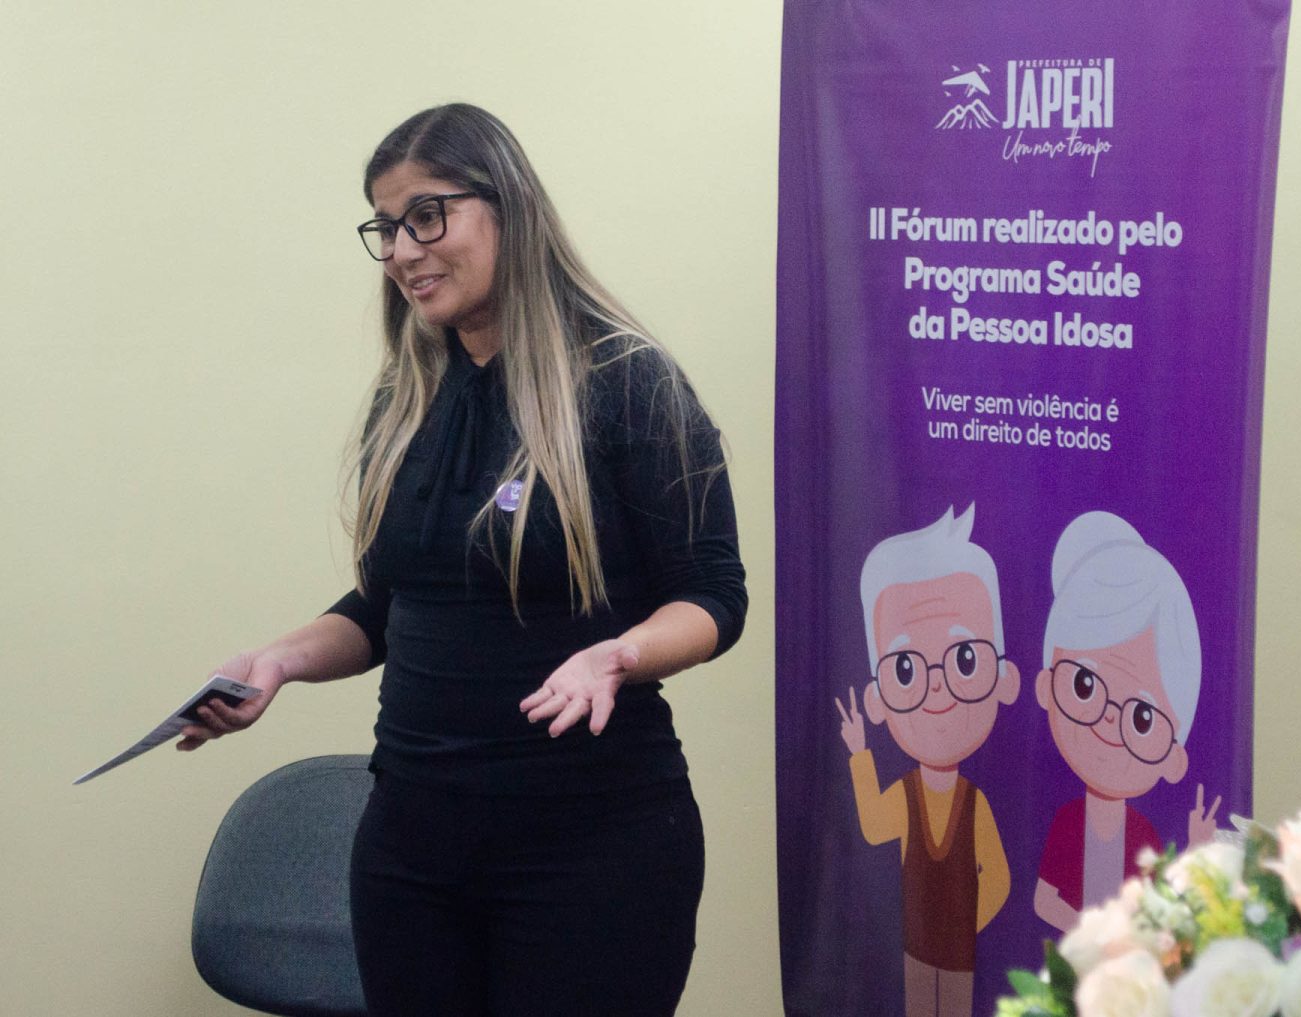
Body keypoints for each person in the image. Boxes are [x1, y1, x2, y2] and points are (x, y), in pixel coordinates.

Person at [176, 103, 747, 1017]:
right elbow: (385, 606)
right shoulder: (408, 397)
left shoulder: (628, 382)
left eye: (427, 215)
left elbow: (713, 597)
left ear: (507, 207)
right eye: (386, 227)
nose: (403, 251)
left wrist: (619, 654)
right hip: (411, 852)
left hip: (593, 849)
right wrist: (278, 661)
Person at [834, 505, 1019, 1017]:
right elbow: (874, 826)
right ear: (878, 699)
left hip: (957, 955)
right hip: (916, 950)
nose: (936, 686)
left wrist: (963, 925)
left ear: (1003, 679)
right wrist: (859, 753)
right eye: (906, 669)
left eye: (965, 659)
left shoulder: (974, 804)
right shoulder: (908, 794)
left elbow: (999, 877)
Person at [1031, 511, 1215, 933]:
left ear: (1173, 757)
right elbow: (1044, 900)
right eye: (1084, 685)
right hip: (1074, 960)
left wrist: (1194, 851)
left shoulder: (1142, 833)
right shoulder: (1069, 822)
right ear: (1047, 687)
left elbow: (1164, 905)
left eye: (1143, 717)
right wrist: (1092, 932)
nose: (1110, 717)